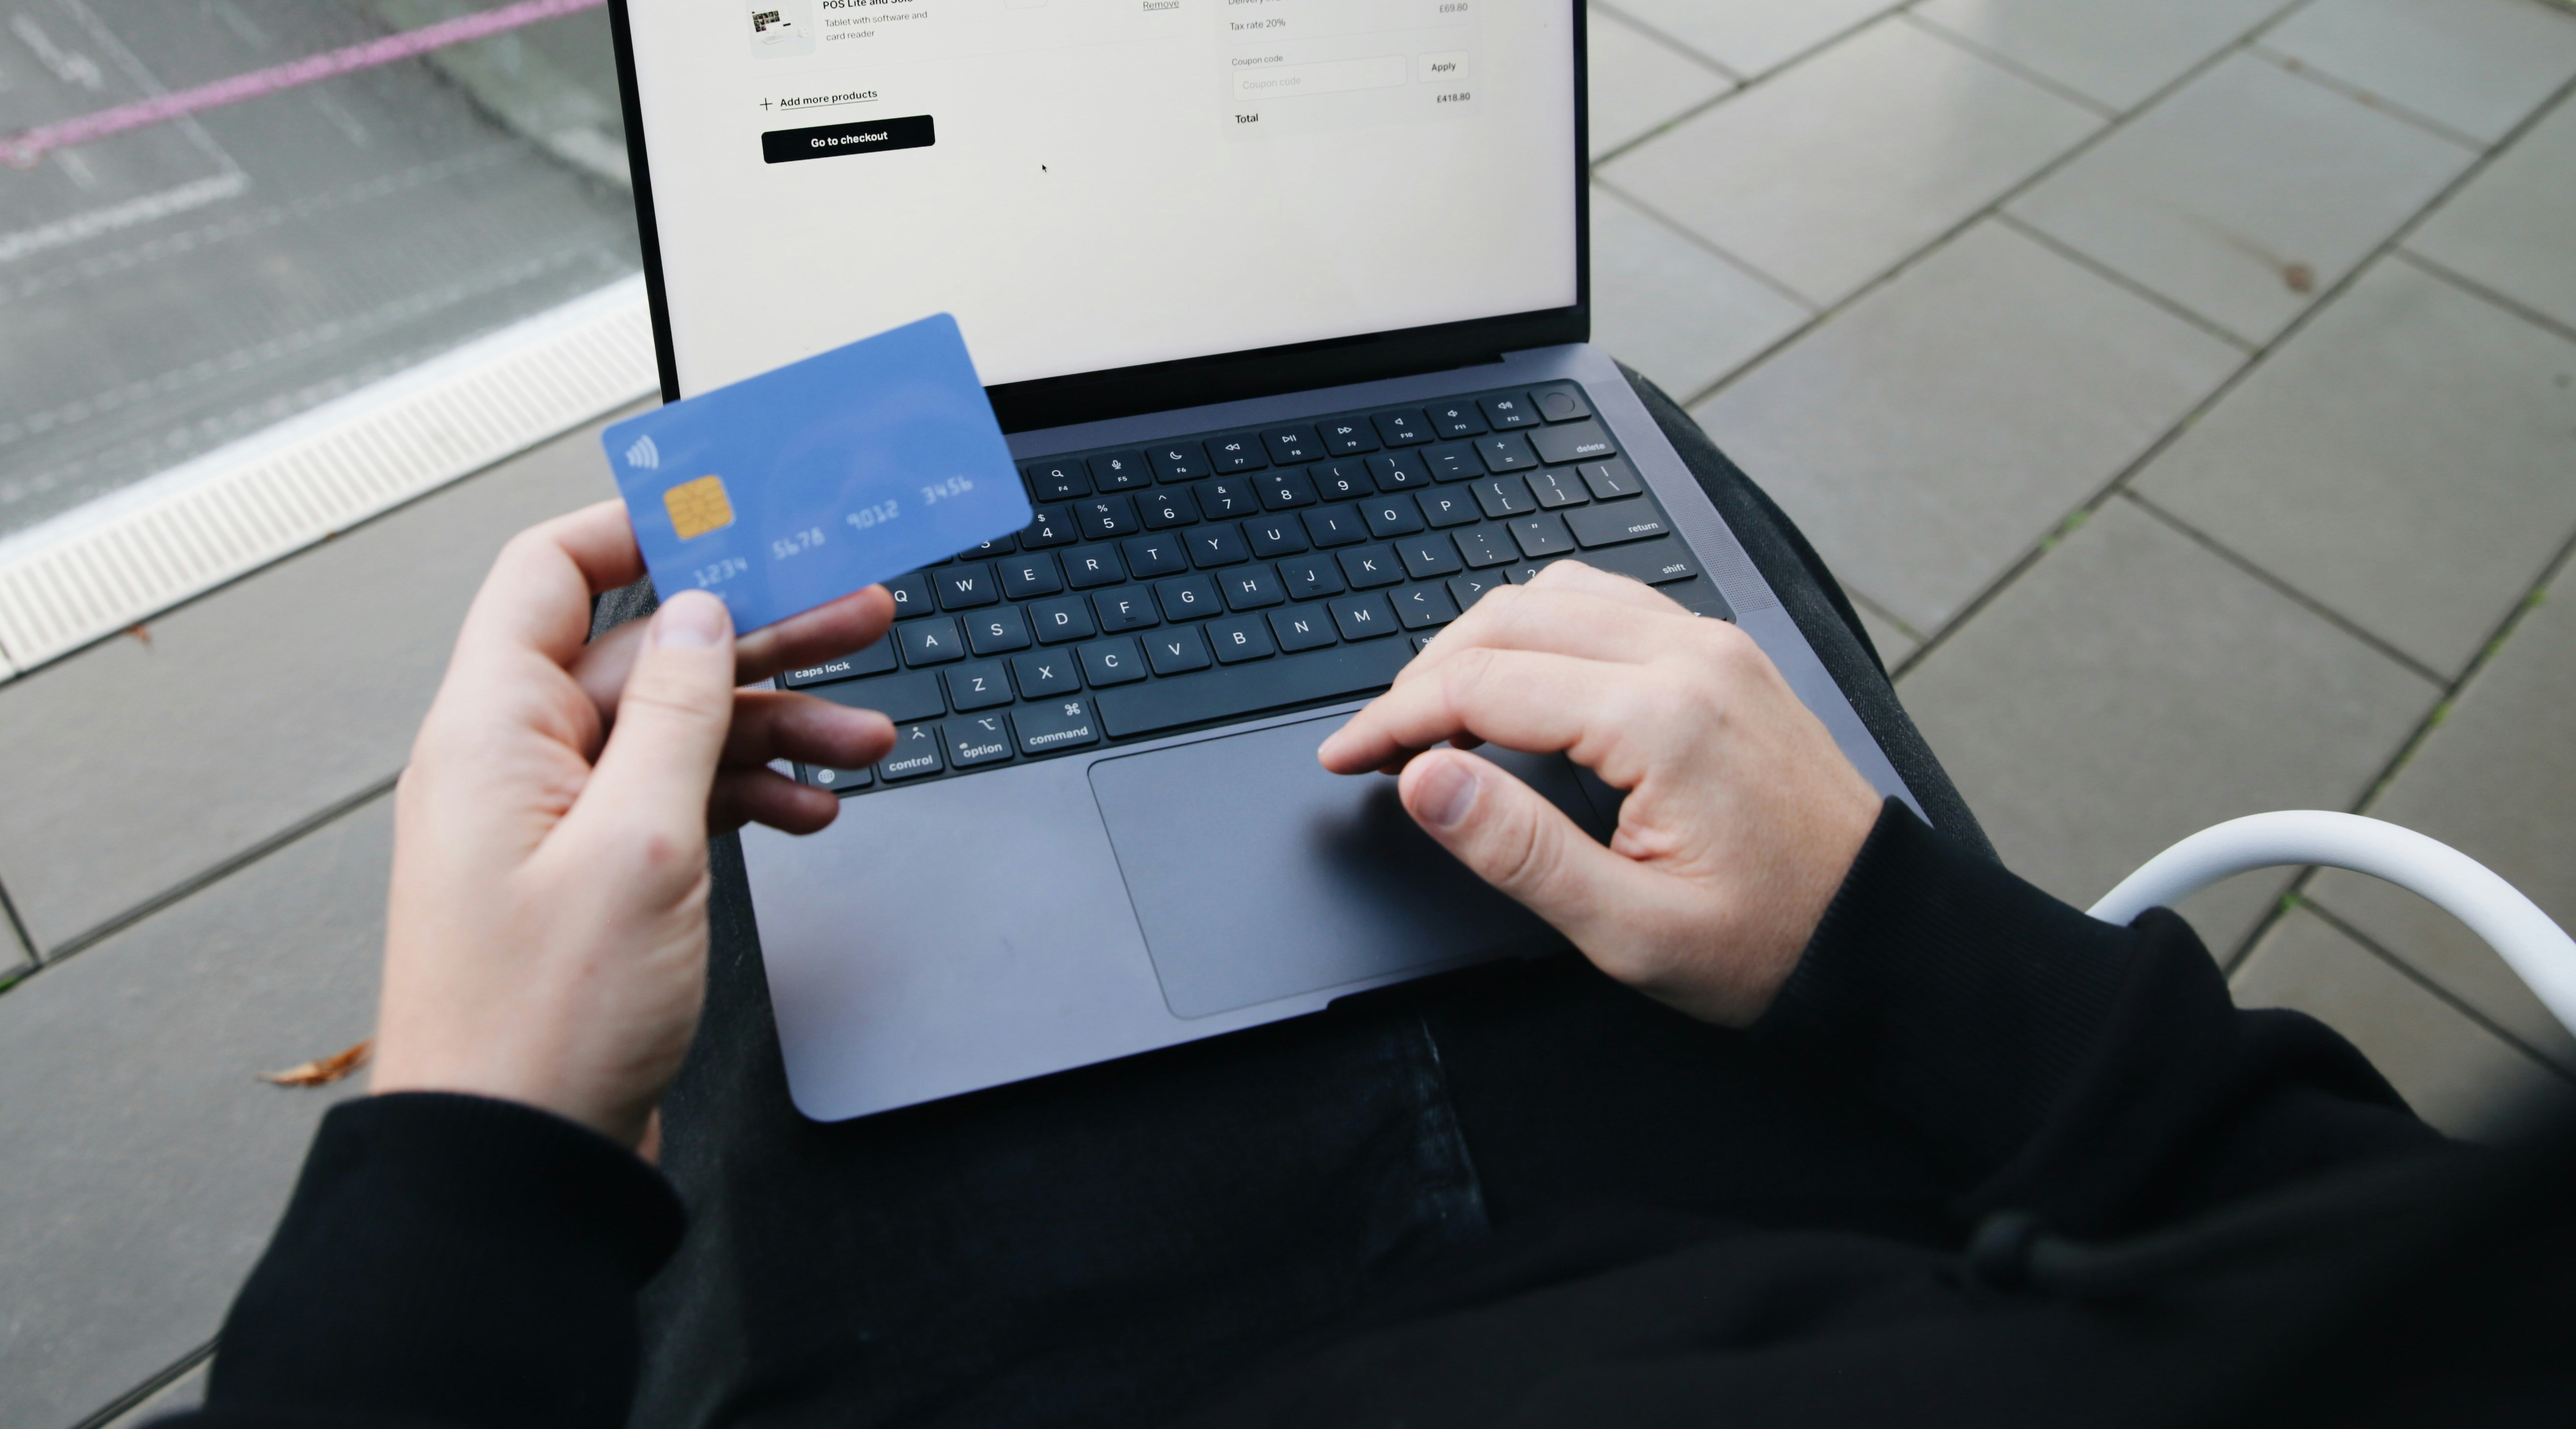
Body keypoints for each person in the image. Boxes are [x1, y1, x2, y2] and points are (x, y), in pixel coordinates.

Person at [169, 386, 2572, 1429]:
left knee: (777, 656)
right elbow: (2366, 1235)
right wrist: (1884, 926)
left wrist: (478, 1137)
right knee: (1613, 456)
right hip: (1848, 1216)